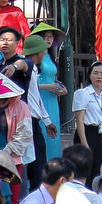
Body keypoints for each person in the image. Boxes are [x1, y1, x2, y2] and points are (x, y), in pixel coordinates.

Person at [18, 35, 57, 188]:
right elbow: (21, 63)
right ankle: (35, 192)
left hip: (33, 119)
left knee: (37, 157)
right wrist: (15, 66)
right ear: (39, 52)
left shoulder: (34, 69)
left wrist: (47, 121)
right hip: (28, 120)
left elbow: (36, 97)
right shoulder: (27, 64)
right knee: (37, 160)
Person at [73, 60, 102, 179]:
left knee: (97, 171)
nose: (99, 76)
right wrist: (84, 144)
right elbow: (79, 120)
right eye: (95, 73)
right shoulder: (82, 93)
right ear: (90, 75)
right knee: (83, 171)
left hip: (99, 134)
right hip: (85, 133)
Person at [30, 22, 66, 158]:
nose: (49, 39)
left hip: (52, 101)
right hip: (40, 100)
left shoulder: (49, 56)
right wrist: (47, 87)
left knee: (53, 136)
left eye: (51, 37)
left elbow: (50, 78)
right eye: (45, 37)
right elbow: (29, 84)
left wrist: (60, 87)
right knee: (43, 136)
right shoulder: (33, 58)